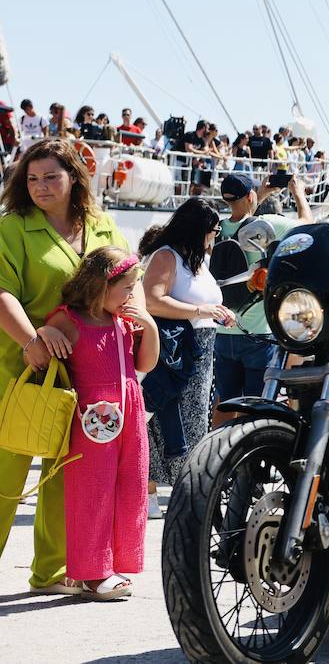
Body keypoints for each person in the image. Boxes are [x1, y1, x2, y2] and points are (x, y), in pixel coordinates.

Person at [0, 138, 130, 595]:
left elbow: (126, 283)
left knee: (64, 473)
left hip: (87, 375)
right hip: (17, 369)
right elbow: (2, 294)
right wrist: (33, 337)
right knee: (5, 473)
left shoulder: (103, 226)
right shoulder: (13, 228)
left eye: (51, 176)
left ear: (74, 177)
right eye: (32, 178)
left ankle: (53, 571)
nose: (40, 186)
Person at [46, 246, 158, 600]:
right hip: (90, 421)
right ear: (100, 285)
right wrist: (43, 334)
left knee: (131, 486)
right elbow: (45, 353)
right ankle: (92, 572)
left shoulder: (122, 320)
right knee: (91, 493)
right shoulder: (69, 319)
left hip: (129, 415)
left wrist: (149, 325)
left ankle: (115, 563)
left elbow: (145, 364)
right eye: (126, 287)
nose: (131, 294)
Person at [141, 198, 234, 518]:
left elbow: (201, 302)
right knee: (167, 420)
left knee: (193, 423)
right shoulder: (167, 256)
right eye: (214, 229)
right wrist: (201, 310)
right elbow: (151, 301)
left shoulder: (196, 259)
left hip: (201, 349)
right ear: (199, 229)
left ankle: (185, 490)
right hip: (175, 349)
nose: (217, 235)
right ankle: (153, 492)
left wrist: (217, 312)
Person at [212, 173, 312, 425]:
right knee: (256, 406)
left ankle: (216, 454)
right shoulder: (266, 224)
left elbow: (242, 214)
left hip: (224, 331)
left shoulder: (219, 229)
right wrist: (297, 192)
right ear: (250, 196)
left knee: (225, 401)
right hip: (258, 334)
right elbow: (307, 225)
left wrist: (260, 194)